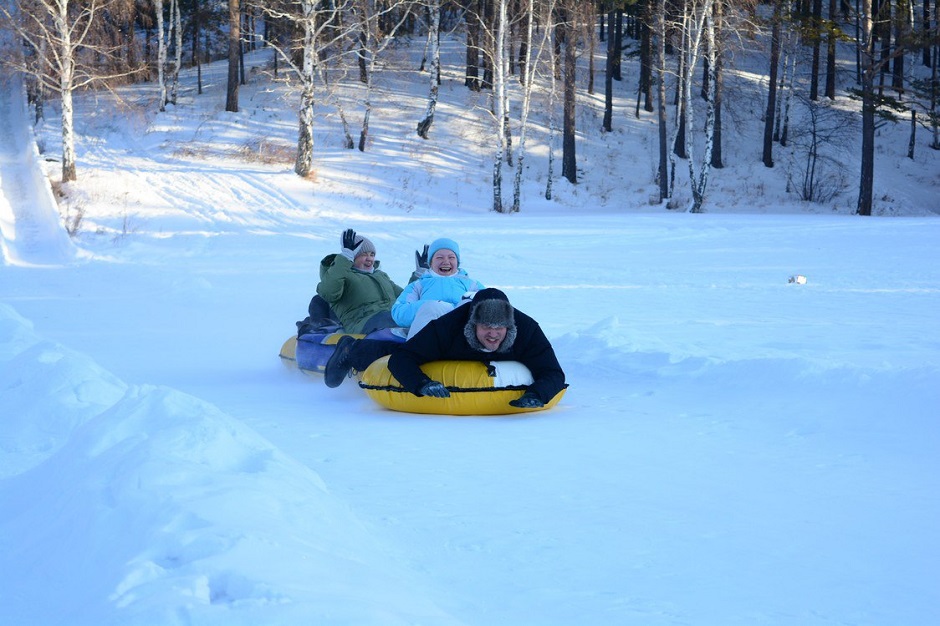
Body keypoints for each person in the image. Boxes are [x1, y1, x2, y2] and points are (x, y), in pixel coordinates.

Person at [325, 288, 566, 409]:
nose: (493, 335)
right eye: (486, 328)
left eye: (500, 328)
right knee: (401, 346)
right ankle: (353, 349)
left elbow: (553, 372)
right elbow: (402, 359)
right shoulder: (449, 327)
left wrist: (537, 395)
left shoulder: (526, 329)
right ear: (473, 324)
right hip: (445, 347)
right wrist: (421, 383)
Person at [312, 228, 404, 335]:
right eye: (364, 254)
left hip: (391, 317)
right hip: (364, 323)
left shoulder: (381, 276)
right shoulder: (343, 276)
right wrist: (345, 258)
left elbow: (408, 297)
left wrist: (421, 274)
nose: (369, 258)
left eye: (372, 254)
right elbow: (328, 292)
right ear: (352, 257)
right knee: (395, 319)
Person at [392, 237, 485, 339]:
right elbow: (399, 312)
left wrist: (456, 308)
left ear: (457, 262)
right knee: (432, 307)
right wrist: (428, 306)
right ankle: (416, 352)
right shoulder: (418, 285)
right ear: (430, 263)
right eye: (439, 257)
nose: (446, 262)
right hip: (428, 334)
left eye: (451, 257)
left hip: (461, 334)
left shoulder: (471, 284)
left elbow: (490, 306)